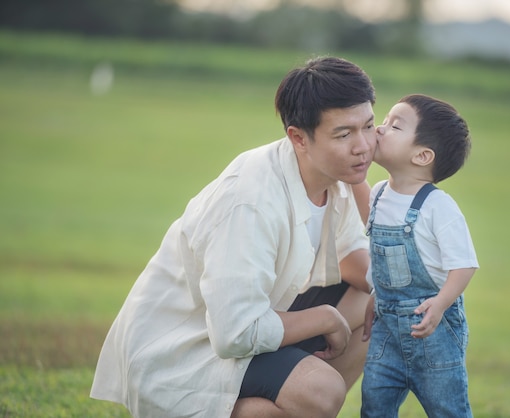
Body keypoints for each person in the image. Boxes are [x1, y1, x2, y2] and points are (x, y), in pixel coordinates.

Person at [90, 56, 377, 418]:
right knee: (320, 390)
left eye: (368, 126)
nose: (363, 145)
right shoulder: (250, 201)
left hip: (255, 327)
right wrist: (324, 318)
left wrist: (400, 288)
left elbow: (352, 256)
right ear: (299, 138)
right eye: (344, 134)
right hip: (189, 351)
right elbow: (235, 333)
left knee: (380, 307)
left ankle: (303, 405)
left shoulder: (334, 179)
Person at [360, 94, 479, 418]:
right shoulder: (378, 194)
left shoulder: (438, 206)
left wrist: (440, 304)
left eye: (394, 126)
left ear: (422, 155)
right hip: (387, 328)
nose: (380, 129)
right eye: (383, 122)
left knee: (447, 408)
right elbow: (381, 260)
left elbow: (464, 264)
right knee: (374, 402)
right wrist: (376, 293)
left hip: (433, 329)